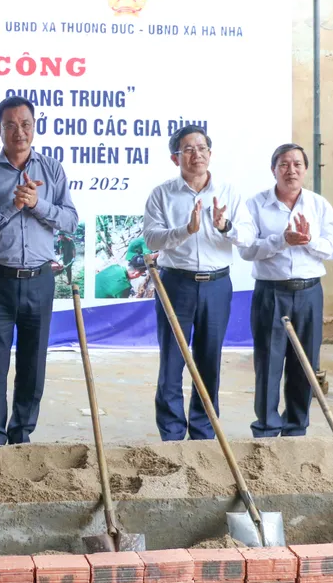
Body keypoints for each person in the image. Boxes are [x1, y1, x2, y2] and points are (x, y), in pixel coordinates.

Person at [0, 96, 79, 445]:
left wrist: (37, 204)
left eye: (25, 124)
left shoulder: (52, 170)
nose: (19, 131)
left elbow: (71, 220)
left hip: (40, 280)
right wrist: (12, 205)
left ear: (34, 127)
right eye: (10, 125)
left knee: (33, 365)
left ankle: (22, 434)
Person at [142, 125, 256, 441]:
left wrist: (224, 225)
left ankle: (204, 431)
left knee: (209, 360)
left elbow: (247, 237)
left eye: (202, 148)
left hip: (217, 286)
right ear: (174, 157)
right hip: (175, 284)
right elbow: (151, 238)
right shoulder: (162, 194)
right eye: (188, 149)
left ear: (210, 153)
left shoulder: (229, 193)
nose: (197, 154)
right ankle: (172, 432)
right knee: (172, 362)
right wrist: (185, 230)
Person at [239, 143, 333, 438]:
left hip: (309, 293)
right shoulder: (255, 205)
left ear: (306, 170)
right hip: (271, 293)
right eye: (284, 164)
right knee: (269, 364)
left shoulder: (319, 205)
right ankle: (267, 428)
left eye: (297, 164)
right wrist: (281, 240)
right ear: (273, 170)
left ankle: (297, 427)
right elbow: (247, 251)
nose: (291, 170)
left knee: (305, 364)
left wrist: (308, 240)